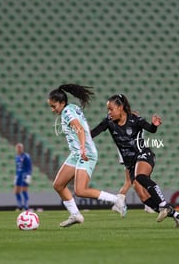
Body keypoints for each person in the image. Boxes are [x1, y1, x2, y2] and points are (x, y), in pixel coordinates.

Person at [91, 94, 179, 227]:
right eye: (108, 109)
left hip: (143, 154)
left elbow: (151, 129)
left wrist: (154, 125)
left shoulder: (134, 119)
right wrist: (80, 135)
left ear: (120, 107)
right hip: (130, 163)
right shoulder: (108, 121)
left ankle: (164, 205)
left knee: (140, 176)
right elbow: (94, 132)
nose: (109, 112)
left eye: (111, 109)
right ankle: (178, 215)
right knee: (143, 196)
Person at [48, 84, 126, 227]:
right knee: (58, 185)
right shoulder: (72, 108)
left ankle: (117, 200)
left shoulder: (67, 112)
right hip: (76, 153)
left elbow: (79, 129)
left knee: (80, 190)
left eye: (54, 106)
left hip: (85, 153)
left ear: (62, 103)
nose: (53, 110)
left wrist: (83, 148)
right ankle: (75, 215)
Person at [14, 143, 32, 211]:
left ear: (22, 148)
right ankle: (20, 206)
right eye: (17, 147)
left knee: (24, 191)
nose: (19, 149)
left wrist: (28, 175)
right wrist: (16, 176)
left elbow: (29, 166)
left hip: (24, 175)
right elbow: (17, 167)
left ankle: (26, 207)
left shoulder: (26, 156)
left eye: (20, 147)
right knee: (16, 191)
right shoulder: (17, 157)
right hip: (18, 175)